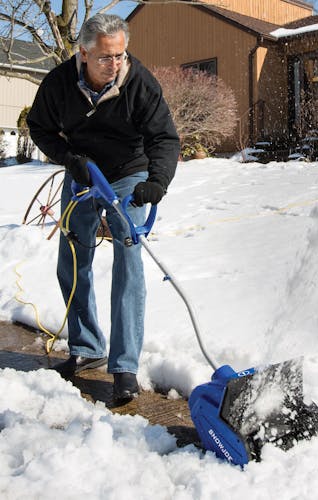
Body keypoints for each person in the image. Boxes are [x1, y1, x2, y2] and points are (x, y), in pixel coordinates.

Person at [27, 14, 180, 403]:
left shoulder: (138, 82)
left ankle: (124, 365)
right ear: (83, 53)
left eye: (119, 55)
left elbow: (164, 137)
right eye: (105, 58)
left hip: (129, 172)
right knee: (73, 257)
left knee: (129, 259)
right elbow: (40, 127)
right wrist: (67, 157)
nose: (115, 65)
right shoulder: (59, 83)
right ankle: (87, 346)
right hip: (82, 171)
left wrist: (156, 182)